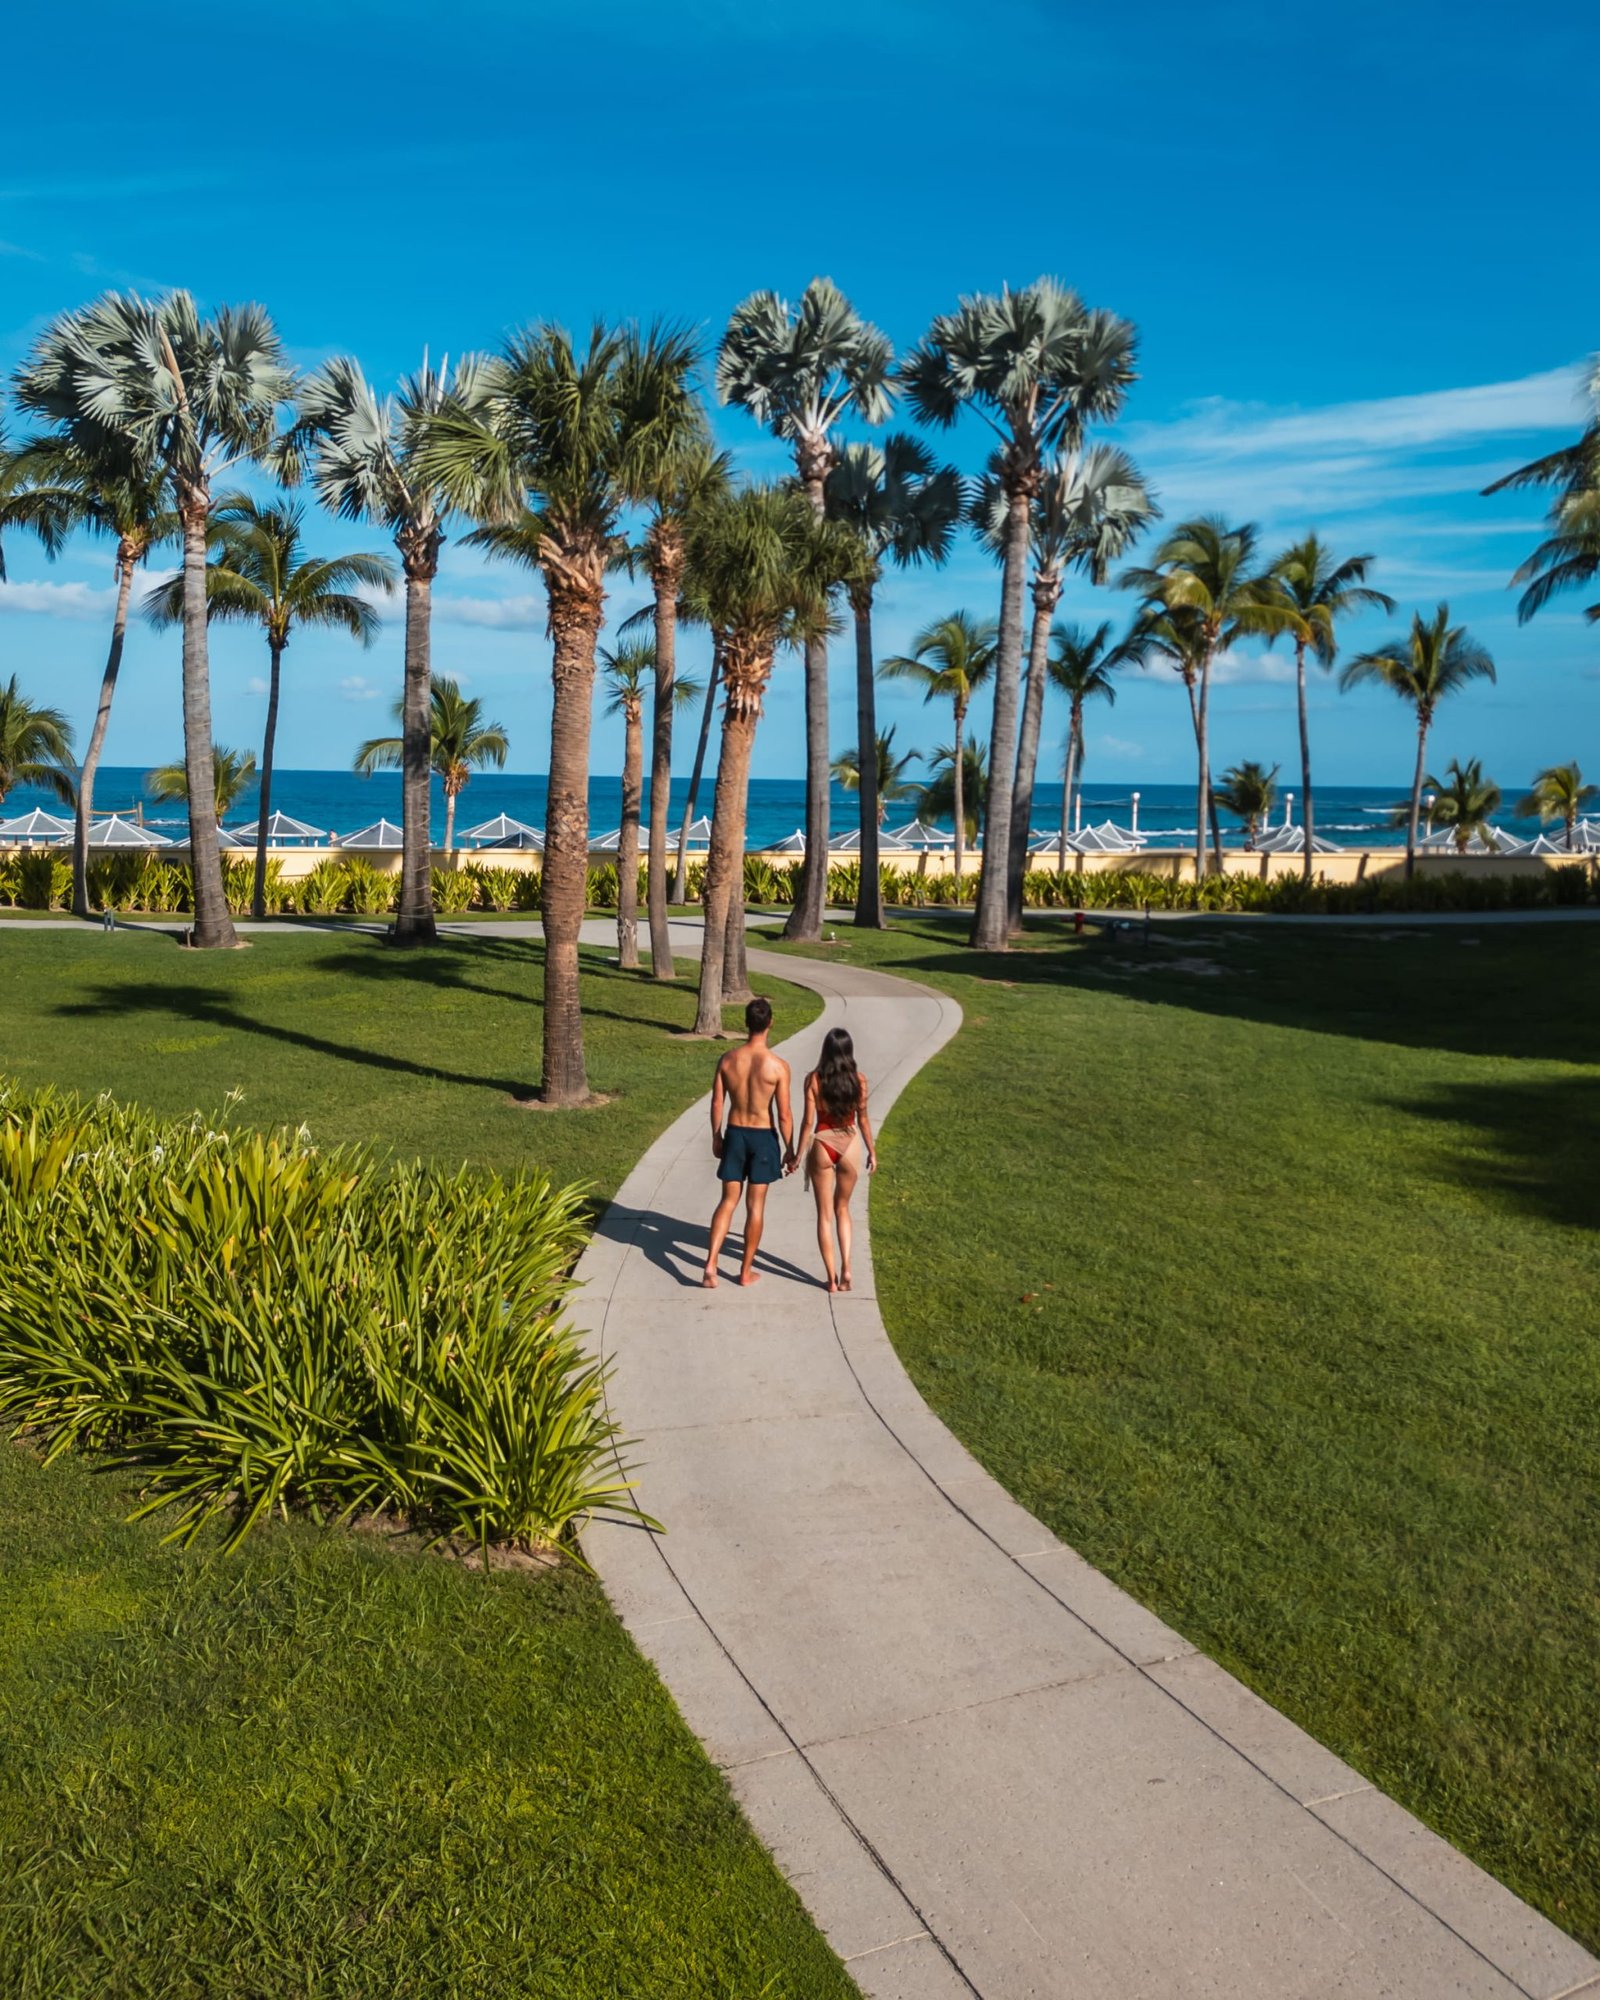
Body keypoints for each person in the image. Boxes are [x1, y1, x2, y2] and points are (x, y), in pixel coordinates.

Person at [703, 995, 793, 1289]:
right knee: (755, 1207)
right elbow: (784, 1114)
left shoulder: (728, 1060)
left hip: (735, 1133)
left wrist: (716, 1135)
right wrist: (791, 1149)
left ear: (746, 1023)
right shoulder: (778, 1067)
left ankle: (711, 1264)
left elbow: (717, 1102)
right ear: (770, 1023)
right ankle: (744, 1271)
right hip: (762, 1137)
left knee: (728, 1201)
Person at [792, 1026, 876, 1294]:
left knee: (824, 1215)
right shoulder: (859, 1081)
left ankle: (830, 1278)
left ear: (825, 1051)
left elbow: (808, 1122)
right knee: (843, 1209)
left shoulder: (813, 1080)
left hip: (823, 1142)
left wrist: (797, 1155)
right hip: (850, 1142)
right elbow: (863, 1120)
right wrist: (872, 1151)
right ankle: (847, 1267)